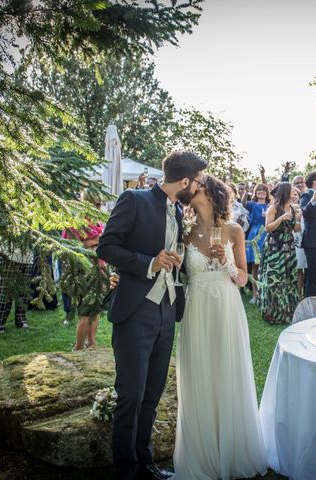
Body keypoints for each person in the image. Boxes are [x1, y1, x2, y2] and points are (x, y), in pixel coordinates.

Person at [97, 150, 206, 480]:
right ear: (184, 181)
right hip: (135, 311)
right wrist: (149, 262)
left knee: (152, 392)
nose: (199, 188)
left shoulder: (176, 208)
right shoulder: (134, 199)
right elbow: (107, 247)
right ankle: (126, 472)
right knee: (130, 395)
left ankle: (145, 464)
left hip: (167, 310)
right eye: (198, 182)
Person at [174, 175, 267, 479]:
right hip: (197, 309)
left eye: (197, 186)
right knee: (199, 374)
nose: (191, 189)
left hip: (226, 308)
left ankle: (231, 451)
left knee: (226, 372)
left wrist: (227, 264)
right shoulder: (183, 233)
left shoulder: (234, 230)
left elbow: (242, 278)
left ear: (211, 194)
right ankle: (202, 453)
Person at [259, 182, 301, 324]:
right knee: (274, 280)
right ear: (285, 192)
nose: (295, 193)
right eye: (292, 191)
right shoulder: (273, 208)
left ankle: (288, 311)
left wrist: (298, 219)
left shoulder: (294, 209)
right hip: (275, 247)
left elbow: (295, 229)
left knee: (289, 280)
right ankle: (273, 313)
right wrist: (281, 218)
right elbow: (268, 228)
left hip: (289, 248)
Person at [62, 221, 108, 351]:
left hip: (99, 268)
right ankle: (79, 347)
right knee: (86, 311)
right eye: (96, 204)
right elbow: (71, 249)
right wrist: (93, 241)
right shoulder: (74, 224)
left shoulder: (97, 223)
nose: (98, 208)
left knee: (96, 308)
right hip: (83, 270)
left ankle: (91, 342)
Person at [0, 243, 34, 333]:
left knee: (23, 292)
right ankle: (0, 322)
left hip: (28, 258)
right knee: (6, 291)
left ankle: (21, 320)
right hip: (9, 256)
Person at [243, 183, 270, 304]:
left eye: (263, 190)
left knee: (264, 266)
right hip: (254, 234)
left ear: (266, 193)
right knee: (254, 265)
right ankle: (254, 295)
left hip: (265, 233)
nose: (261, 192)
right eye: (258, 190)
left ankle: (264, 294)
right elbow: (243, 203)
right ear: (255, 192)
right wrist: (245, 192)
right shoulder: (252, 204)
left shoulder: (270, 206)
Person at [291, 187, 307, 296]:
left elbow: (304, 227)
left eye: (296, 194)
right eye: (291, 194)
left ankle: (300, 294)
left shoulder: (303, 210)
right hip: (288, 241)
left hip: (300, 241)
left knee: (300, 268)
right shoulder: (284, 210)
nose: (293, 196)